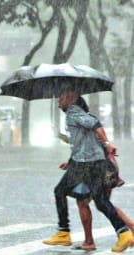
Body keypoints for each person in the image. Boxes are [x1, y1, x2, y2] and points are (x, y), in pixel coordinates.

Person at [43, 90, 134, 252]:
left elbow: (95, 124)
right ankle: (121, 234)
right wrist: (61, 139)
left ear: (72, 98)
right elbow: (80, 142)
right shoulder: (76, 117)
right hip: (91, 164)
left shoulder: (73, 113)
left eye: (62, 97)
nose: (58, 101)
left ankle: (64, 232)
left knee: (61, 191)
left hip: (88, 165)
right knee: (99, 202)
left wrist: (107, 143)